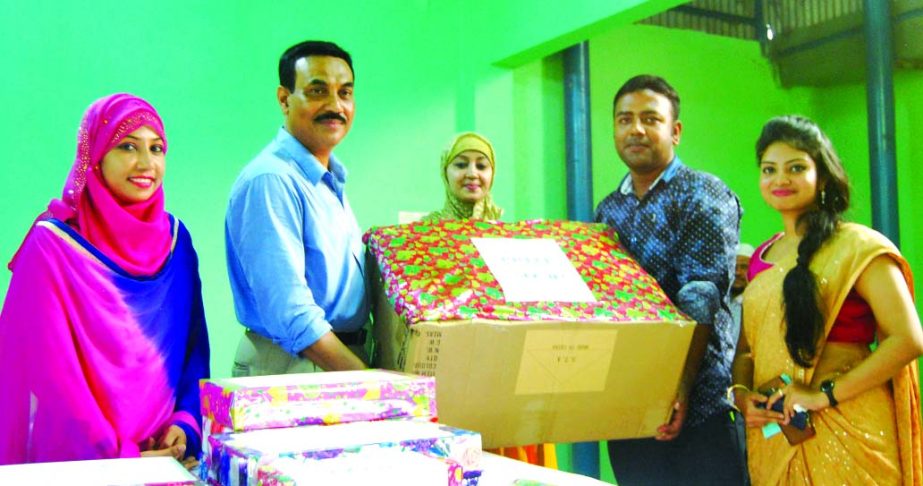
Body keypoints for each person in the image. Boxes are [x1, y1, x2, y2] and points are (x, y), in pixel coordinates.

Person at [0, 94, 210, 466]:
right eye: (128, 146)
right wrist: (122, 456)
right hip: (81, 461)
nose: (146, 163)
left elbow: (195, 347)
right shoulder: (52, 247)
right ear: (95, 156)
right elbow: (53, 379)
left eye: (157, 148)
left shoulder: (176, 242)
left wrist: (186, 421)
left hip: (168, 456)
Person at [730, 115, 923, 484]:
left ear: (823, 175)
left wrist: (824, 395)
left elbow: (908, 338)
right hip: (778, 434)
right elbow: (745, 353)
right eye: (769, 169)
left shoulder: (858, 246)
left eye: (796, 167)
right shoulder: (762, 258)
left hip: (852, 429)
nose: (780, 179)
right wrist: (742, 397)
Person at [594, 75, 747, 484]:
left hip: (698, 407)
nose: (636, 129)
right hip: (630, 407)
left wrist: (677, 386)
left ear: (675, 131)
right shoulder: (608, 210)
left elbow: (702, 295)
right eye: (625, 119)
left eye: (650, 119)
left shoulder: (704, 193)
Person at [226, 40, 370, 375]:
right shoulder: (271, 179)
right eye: (318, 91)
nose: (336, 105)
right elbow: (291, 313)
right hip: (296, 365)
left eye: (345, 93)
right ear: (284, 99)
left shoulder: (327, 180)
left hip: (329, 362)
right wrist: (366, 379)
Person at [421, 132, 503, 222]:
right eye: (461, 165)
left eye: (481, 166)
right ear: (445, 173)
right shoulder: (425, 230)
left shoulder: (502, 233)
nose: (472, 174)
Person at [730, 243, 755, 332]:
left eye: (744, 267)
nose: (737, 272)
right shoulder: (718, 303)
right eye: (733, 267)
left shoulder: (755, 303)